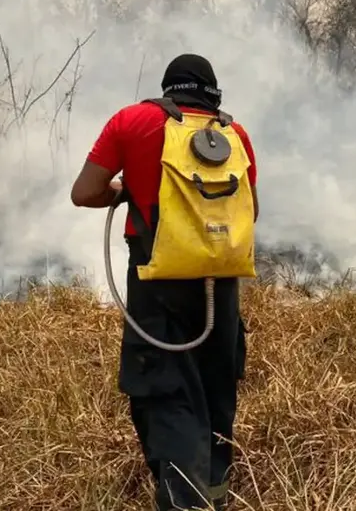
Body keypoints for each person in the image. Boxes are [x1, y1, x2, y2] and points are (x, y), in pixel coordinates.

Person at [70, 53, 258, 510]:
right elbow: (249, 213)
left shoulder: (132, 122)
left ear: (168, 87)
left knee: (167, 391)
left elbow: (84, 192)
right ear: (212, 92)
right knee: (216, 386)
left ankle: (185, 502)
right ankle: (216, 492)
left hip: (158, 282)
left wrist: (128, 190)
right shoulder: (235, 135)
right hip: (222, 284)